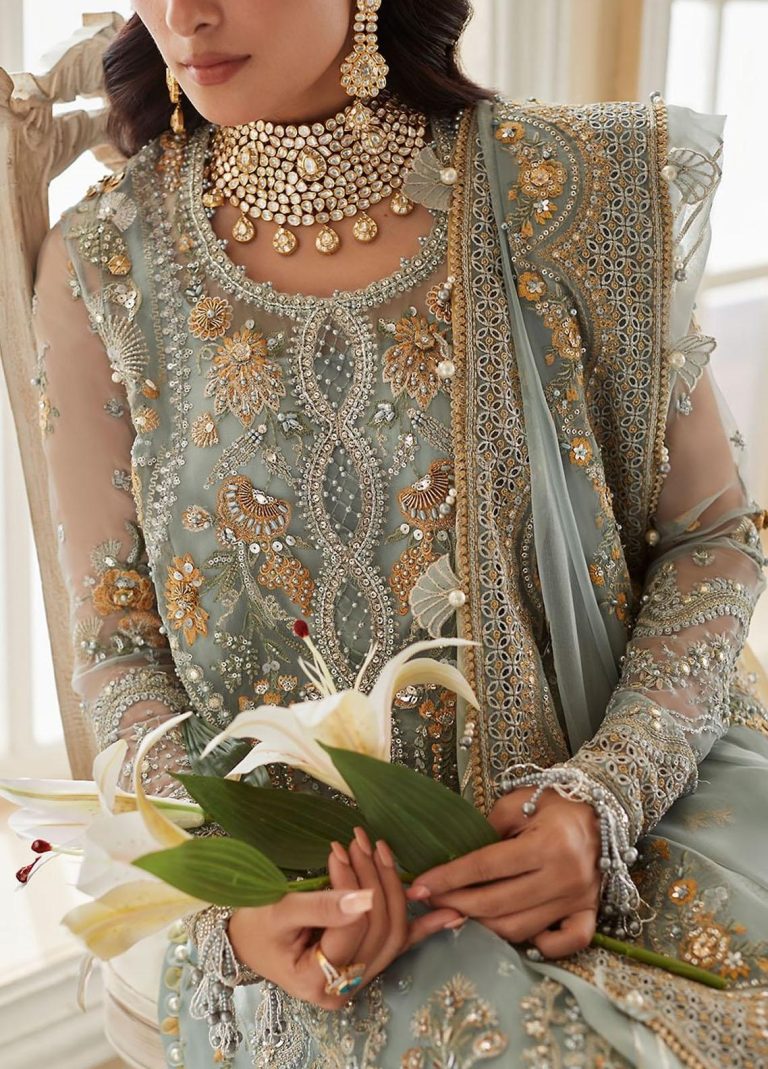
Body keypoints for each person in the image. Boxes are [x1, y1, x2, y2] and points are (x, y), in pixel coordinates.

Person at [30, 1, 768, 1066]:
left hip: (635, 820)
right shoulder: (105, 260)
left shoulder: (576, 189)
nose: (186, 15)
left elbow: (713, 534)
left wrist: (603, 799)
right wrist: (235, 905)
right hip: (321, 913)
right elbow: (116, 642)